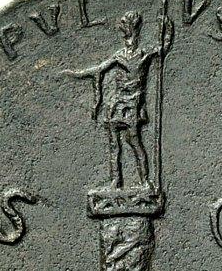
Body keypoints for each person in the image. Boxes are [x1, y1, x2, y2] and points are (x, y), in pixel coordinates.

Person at [65, 10, 173, 189]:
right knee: (114, 143)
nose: (124, 32)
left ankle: (145, 182)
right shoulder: (119, 55)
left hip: (133, 103)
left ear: (134, 29)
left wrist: (168, 27)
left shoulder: (144, 54)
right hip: (116, 103)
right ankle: (116, 181)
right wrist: (77, 74)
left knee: (134, 140)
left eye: (126, 27)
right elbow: (99, 69)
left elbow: (163, 48)